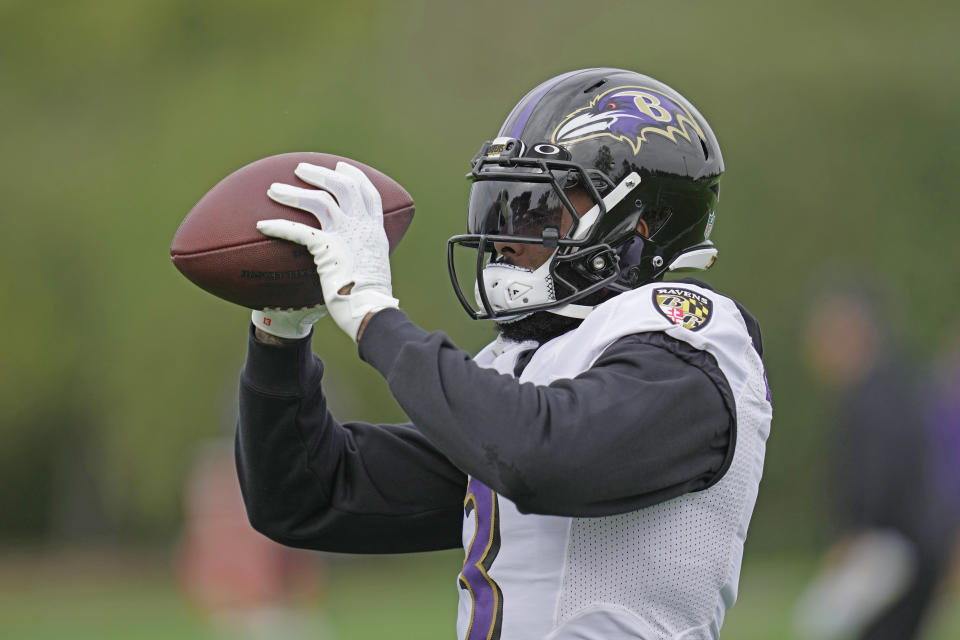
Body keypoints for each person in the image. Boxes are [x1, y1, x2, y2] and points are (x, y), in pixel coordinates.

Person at [235, 68, 771, 639]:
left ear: (640, 224)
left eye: (541, 210)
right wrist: (279, 335)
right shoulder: (531, 363)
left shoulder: (693, 337)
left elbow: (541, 456)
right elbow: (310, 495)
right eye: (504, 206)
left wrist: (375, 317)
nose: (508, 237)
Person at [795, 284, 954, 640]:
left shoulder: (871, 397)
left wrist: (855, 533)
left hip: (894, 548)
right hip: (922, 546)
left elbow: (878, 471)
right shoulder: (897, 384)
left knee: (820, 624)